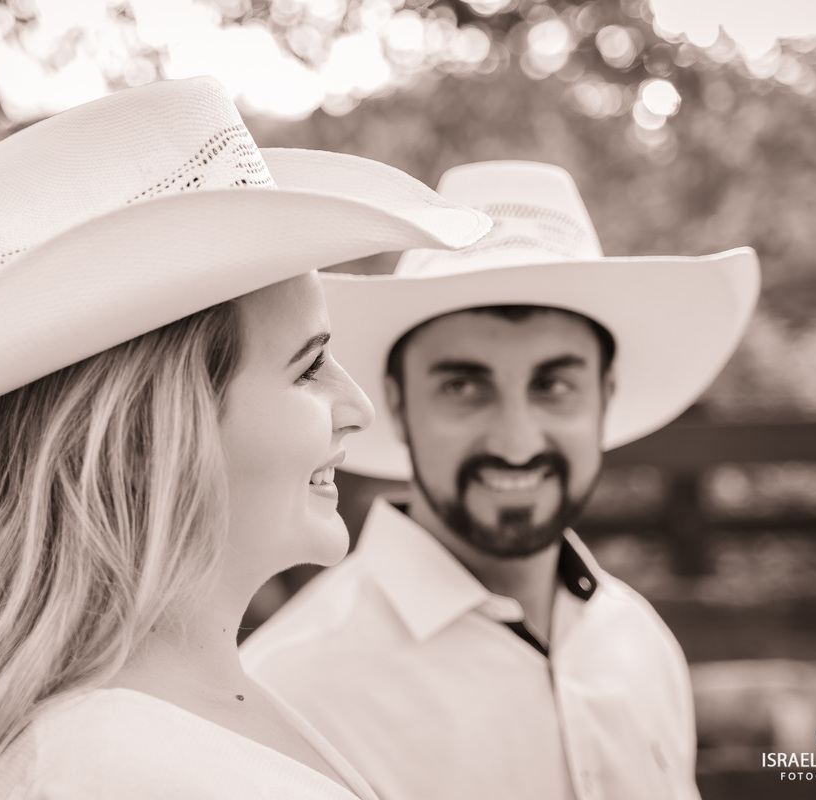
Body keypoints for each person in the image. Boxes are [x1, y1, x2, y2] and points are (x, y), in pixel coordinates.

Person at [0, 77, 491, 800]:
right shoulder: (109, 768)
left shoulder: (161, 723)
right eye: (308, 365)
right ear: (154, 437)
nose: (357, 408)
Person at [242, 161, 761, 800]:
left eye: (554, 385)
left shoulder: (640, 644)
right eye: (464, 386)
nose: (516, 443)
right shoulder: (288, 699)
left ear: (605, 398)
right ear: (399, 405)